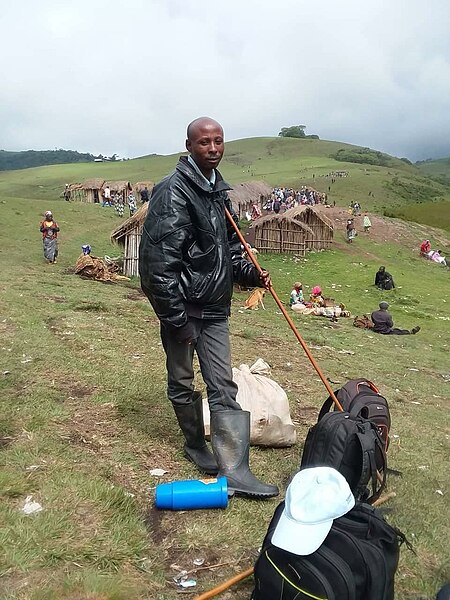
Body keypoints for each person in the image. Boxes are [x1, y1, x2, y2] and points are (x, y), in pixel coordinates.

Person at [139, 117, 279, 498]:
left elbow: (229, 253)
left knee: (222, 384)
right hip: (182, 308)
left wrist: (251, 273)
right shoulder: (174, 192)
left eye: (218, 141)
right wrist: (176, 319)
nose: (213, 148)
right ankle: (194, 443)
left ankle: (234, 469)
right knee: (182, 381)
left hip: (214, 309)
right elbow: (157, 266)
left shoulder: (219, 193)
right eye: (204, 142)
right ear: (189, 146)